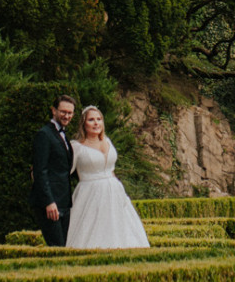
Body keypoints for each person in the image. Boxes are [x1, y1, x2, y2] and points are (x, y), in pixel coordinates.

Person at [64, 105, 150, 249]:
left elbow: (111, 169)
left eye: (99, 119)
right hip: (90, 193)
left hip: (115, 191)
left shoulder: (107, 141)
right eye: (91, 120)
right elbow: (63, 171)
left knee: (122, 229)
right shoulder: (76, 147)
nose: (96, 123)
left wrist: (122, 193)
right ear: (83, 124)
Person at [31, 93, 75, 247]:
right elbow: (39, 171)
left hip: (64, 202)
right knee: (57, 247)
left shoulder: (63, 135)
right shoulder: (44, 134)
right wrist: (49, 202)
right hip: (51, 204)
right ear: (53, 110)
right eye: (63, 111)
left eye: (70, 113)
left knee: (64, 246)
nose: (67, 116)